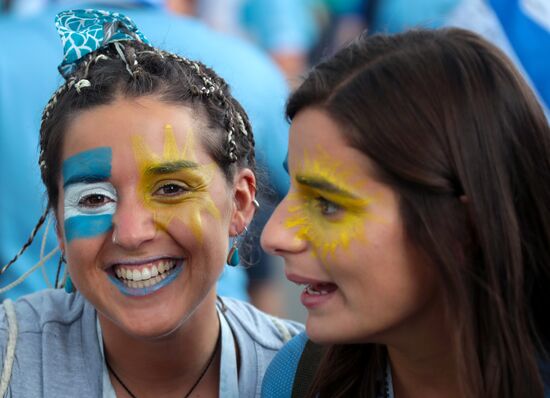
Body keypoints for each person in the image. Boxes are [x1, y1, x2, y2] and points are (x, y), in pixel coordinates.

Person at [0, 9, 302, 397]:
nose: (130, 232)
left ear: (240, 203)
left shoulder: (310, 377)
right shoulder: (11, 361)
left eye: (172, 189)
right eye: (92, 198)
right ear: (58, 225)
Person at [260, 28, 550, 397]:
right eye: (293, 190)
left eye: (328, 204)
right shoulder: (297, 377)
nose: (274, 236)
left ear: (465, 226)